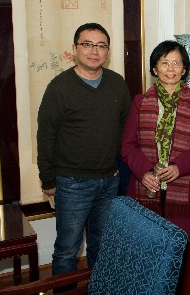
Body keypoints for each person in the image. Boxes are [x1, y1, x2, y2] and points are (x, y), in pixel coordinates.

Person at [37, 22, 131, 278]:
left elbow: (125, 130)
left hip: (109, 181)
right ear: (75, 48)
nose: (94, 51)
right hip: (72, 183)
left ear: (108, 51)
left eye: (101, 46)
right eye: (87, 44)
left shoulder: (117, 84)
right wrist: (47, 179)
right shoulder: (59, 87)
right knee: (67, 249)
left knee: (102, 245)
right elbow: (46, 136)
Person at [121, 40, 190, 243]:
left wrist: (179, 167)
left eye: (176, 63)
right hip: (145, 186)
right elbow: (128, 145)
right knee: (146, 247)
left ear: (184, 69)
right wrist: (144, 172)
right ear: (154, 68)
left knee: (181, 250)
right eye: (164, 62)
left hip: (184, 187)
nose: (170, 69)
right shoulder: (140, 102)